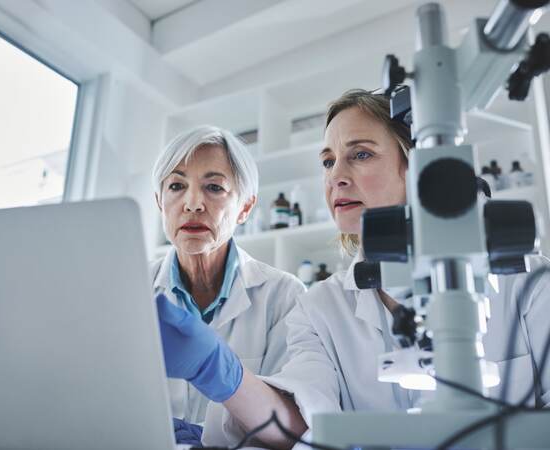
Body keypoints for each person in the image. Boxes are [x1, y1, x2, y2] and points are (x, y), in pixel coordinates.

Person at [156, 90, 550, 449]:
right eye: (328, 162)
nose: (336, 177)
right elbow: (302, 422)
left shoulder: (530, 284)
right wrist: (221, 374)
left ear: (422, 168)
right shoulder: (320, 308)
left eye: (360, 154)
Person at [150, 125, 306, 445]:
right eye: (177, 185)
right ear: (159, 202)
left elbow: (293, 431)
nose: (193, 203)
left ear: (245, 207)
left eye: (214, 187)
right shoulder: (132, 292)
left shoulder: (285, 296)